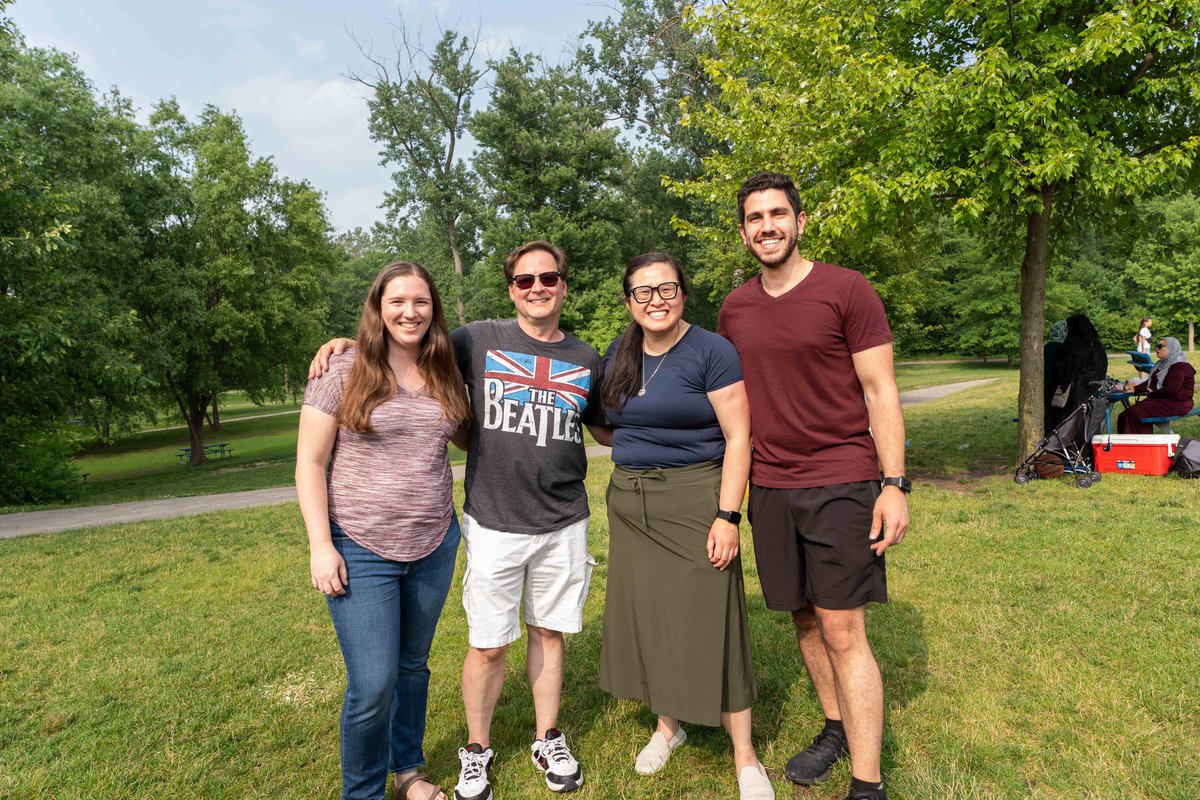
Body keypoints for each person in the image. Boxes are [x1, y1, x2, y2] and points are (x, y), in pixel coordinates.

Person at [310, 241, 610, 800]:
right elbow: (400, 341)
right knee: (472, 648)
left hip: (535, 523)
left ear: (565, 285)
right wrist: (347, 343)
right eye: (525, 280)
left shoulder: (585, 358)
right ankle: (469, 752)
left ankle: (542, 739)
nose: (537, 288)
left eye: (549, 278)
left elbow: (605, 425)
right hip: (477, 522)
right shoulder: (476, 342)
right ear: (511, 288)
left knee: (529, 636)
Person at [717, 172, 910, 800]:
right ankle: (836, 728)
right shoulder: (735, 308)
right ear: (744, 231)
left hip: (842, 481)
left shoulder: (846, 290)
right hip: (769, 488)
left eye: (778, 214)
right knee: (802, 618)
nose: (767, 226)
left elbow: (880, 390)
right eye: (755, 217)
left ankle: (867, 782)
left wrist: (894, 483)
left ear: (800, 221)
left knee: (842, 628)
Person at [598, 253, 774, 800]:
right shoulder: (620, 351)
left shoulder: (710, 351)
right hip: (630, 505)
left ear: (683, 293)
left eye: (666, 288)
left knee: (713, 618)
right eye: (643, 292)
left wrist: (727, 515)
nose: (656, 300)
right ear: (629, 302)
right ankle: (667, 727)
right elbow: (609, 427)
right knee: (653, 618)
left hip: (696, 498)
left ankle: (745, 755)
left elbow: (739, 437)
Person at [296, 262, 471, 800]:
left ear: (433, 309)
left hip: (435, 540)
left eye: (420, 301)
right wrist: (321, 546)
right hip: (358, 544)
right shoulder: (343, 369)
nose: (409, 311)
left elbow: (464, 437)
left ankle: (409, 773)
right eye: (396, 301)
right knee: (372, 686)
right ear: (378, 307)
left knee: (412, 668)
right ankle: (364, 792)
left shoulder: (445, 369)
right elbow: (309, 461)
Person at [1044, 313, 1109, 434]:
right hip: (1095, 395)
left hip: (1073, 399)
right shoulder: (1098, 347)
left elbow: (1061, 372)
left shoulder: (1071, 348)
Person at [1118, 336, 1195, 434]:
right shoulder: (1161, 364)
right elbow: (1150, 383)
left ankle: (1142, 445)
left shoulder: (1180, 366)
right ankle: (1127, 445)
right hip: (1163, 401)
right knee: (1124, 416)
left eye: (1160, 346)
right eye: (1156, 346)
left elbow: (1171, 390)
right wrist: (1134, 389)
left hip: (1178, 403)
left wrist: (1151, 394)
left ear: (1171, 347)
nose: (1156, 349)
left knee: (1134, 413)